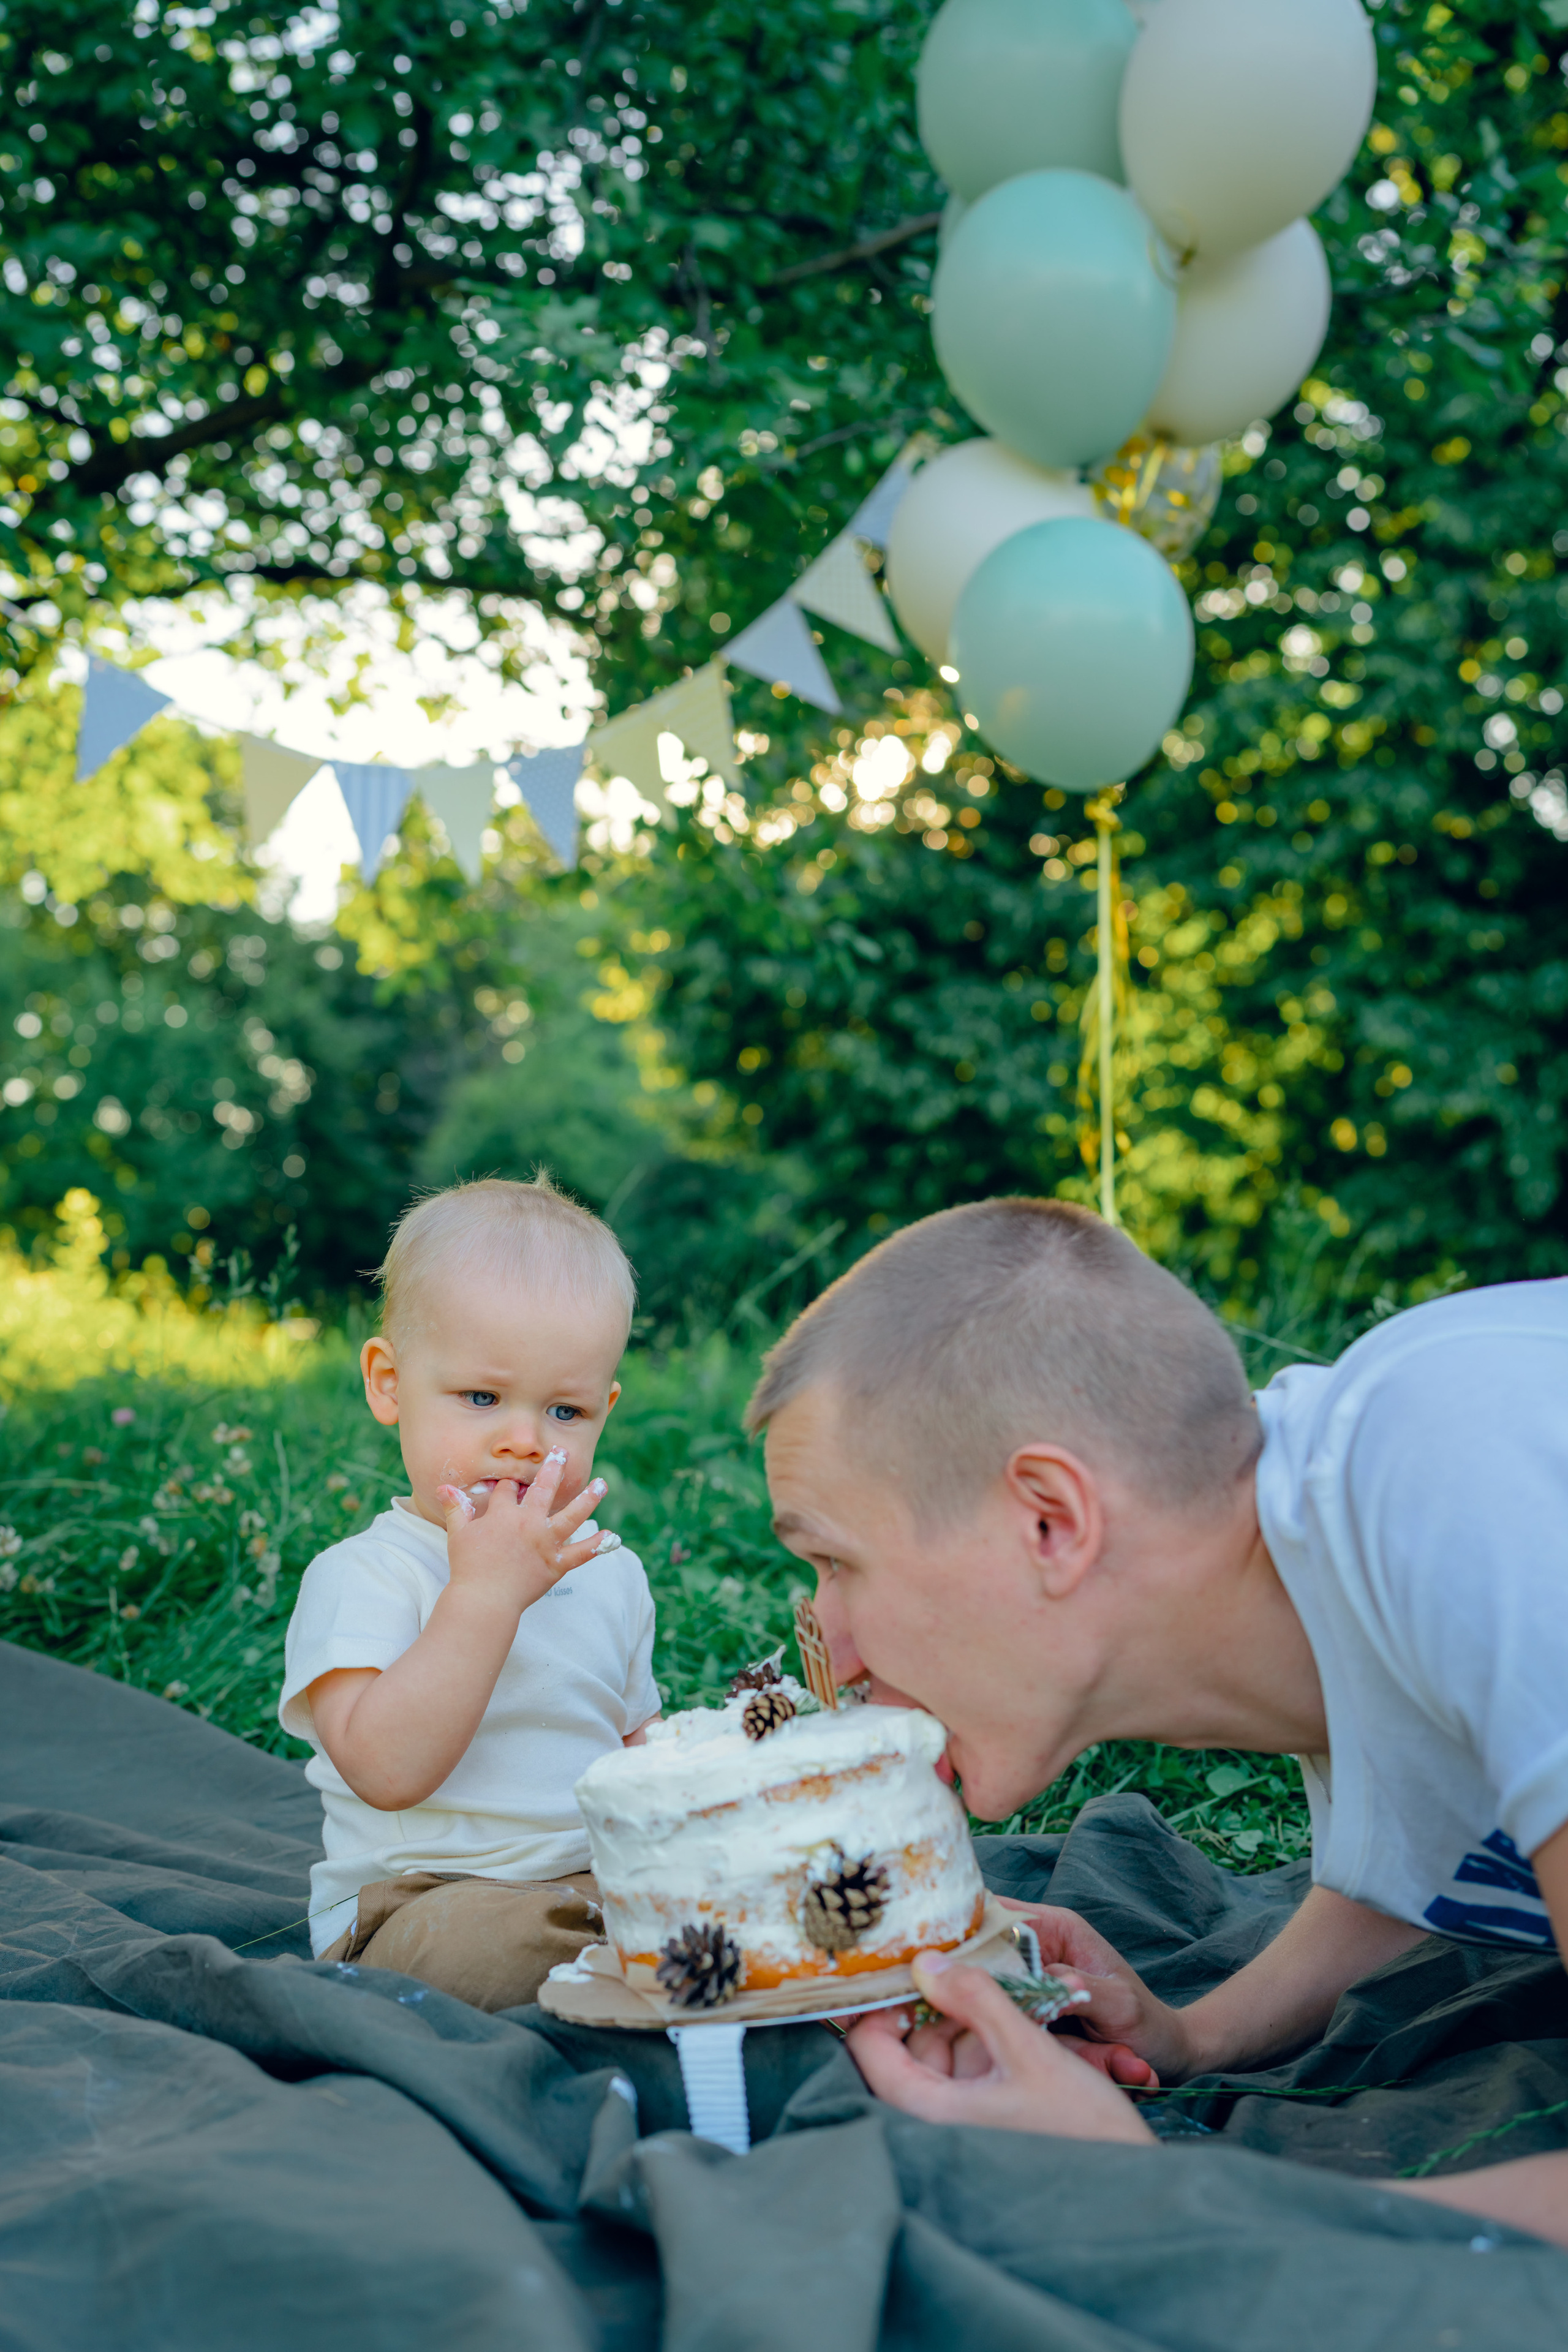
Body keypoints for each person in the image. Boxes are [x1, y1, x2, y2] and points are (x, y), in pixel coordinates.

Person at [748, 1196, 1568, 2245]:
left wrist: (1165, 2194)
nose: (833, 1652)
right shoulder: (1333, 1557)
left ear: (1051, 1521)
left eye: (836, 1563)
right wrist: (1188, 2035)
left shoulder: (1459, 1477)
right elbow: (1424, 1856)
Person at [278, 1174, 660, 2010]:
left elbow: (638, 1748)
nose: (524, 1441)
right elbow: (385, 1769)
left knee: (709, 1899)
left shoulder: (611, 1573)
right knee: (499, 1948)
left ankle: (663, 1965)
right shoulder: (365, 1577)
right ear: (389, 1383)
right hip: (420, 1905)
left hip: (590, 1884)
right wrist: (485, 1596)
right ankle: (650, 1978)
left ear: (605, 1410)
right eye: (482, 1398)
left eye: (565, 1412)